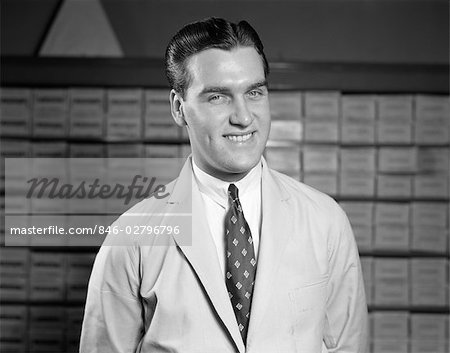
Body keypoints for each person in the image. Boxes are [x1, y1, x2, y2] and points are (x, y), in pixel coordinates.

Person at [80, 17, 368, 353]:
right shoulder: (130, 239)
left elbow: (349, 346)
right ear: (178, 108)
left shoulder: (326, 221)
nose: (244, 117)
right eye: (218, 97)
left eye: (255, 92)